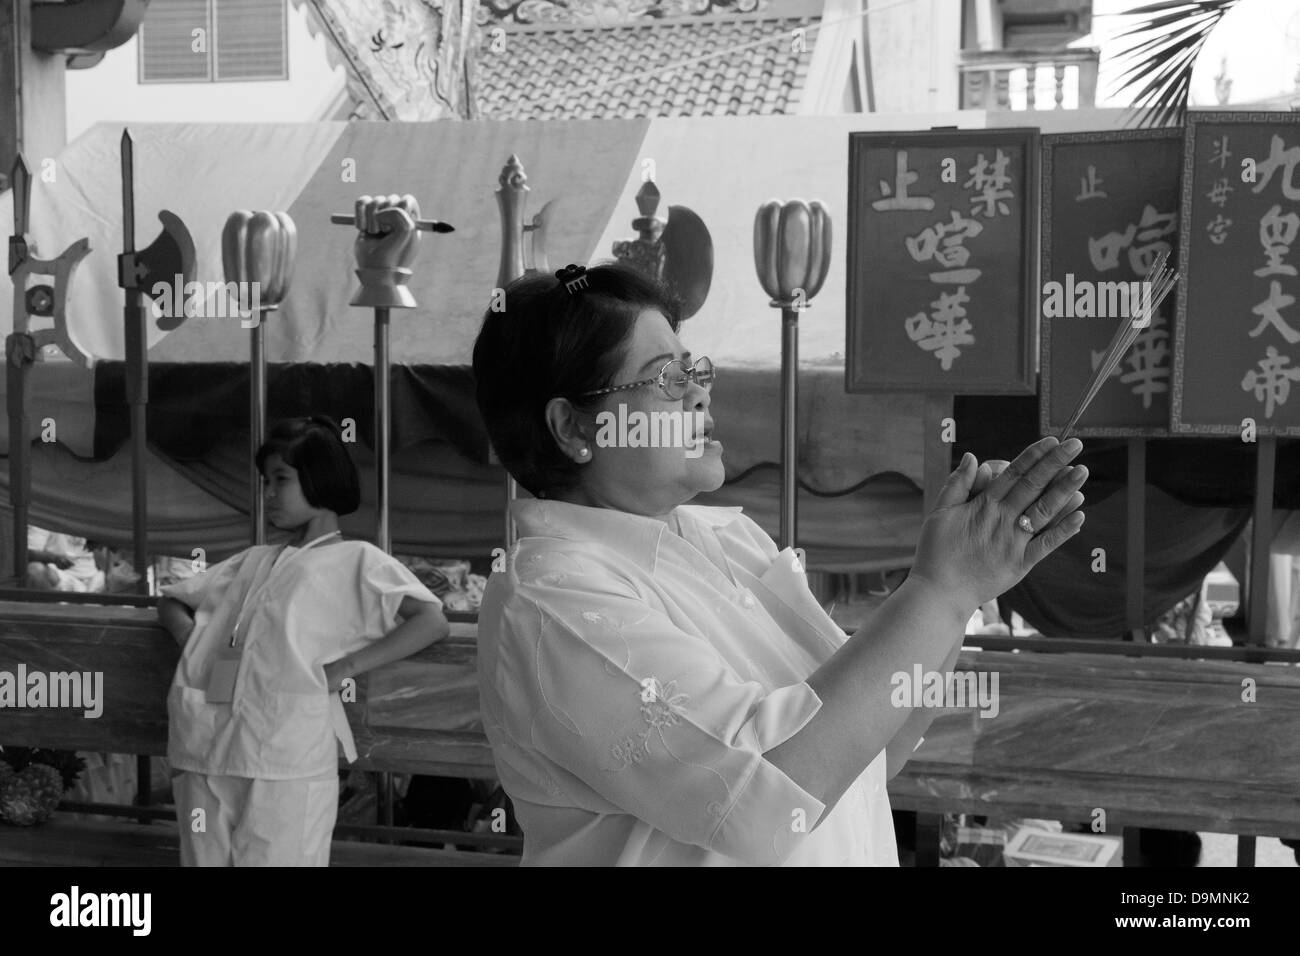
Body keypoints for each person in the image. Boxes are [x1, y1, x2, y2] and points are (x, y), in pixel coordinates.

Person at [472, 262, 1088, 866]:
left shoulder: (729, 539)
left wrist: (961, 585)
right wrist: (942, 590)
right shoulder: (552, 599)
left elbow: (874, 746)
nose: (699, 390)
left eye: (694, 369)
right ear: (574, 427)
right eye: (666, 378)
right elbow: (767, 793)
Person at [156, 416, 450, 866]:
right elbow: (173, 600)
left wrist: (342, 669)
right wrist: (192, 639)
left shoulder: (358, 561)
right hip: (206, 747)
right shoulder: (252, 561)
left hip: (285, 755)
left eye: (281, 479)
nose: (268, 493)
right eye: (265, 481)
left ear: (319, 478)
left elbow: (430, 620)